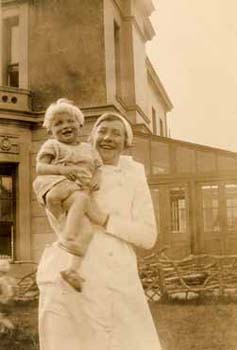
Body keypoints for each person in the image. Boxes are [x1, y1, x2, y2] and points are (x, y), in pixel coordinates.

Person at [37, 112, 162, 350]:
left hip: (116, 272)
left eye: (116, 133)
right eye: (101, 131)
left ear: (126, 141)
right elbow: (57, 218)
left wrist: (102, 219)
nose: (107, 137)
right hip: (73, 268)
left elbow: (148, 237)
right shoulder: (67, 166)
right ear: (91, 137)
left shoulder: (133, 175)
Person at [33, 98, 104, 292]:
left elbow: (98, 167)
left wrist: (97, 177)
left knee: (88, 232)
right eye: (58, 123)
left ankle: (71, 270)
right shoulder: (52, 145)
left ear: (80, 124)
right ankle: (68, 237)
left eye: (69, 121)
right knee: (79, 198)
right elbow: (40, 168)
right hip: (57, 183)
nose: (65, 126)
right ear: (50, 130)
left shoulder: (89, 149)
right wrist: (62, 170)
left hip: (77, 190)